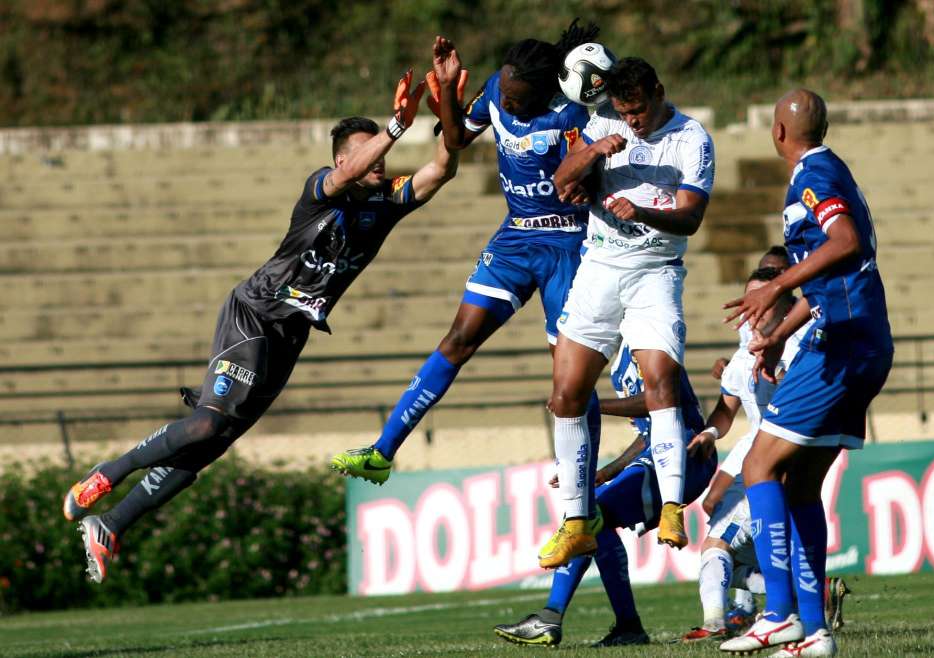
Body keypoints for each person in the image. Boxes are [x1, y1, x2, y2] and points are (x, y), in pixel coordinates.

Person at [61, 55, 460, 583]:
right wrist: (393, 127)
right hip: (254, 311)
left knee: (211, 444)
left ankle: (110, 525)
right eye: (368, 153)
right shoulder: (320, 190)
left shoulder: (385, 203)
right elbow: (344, 175)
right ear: (347, 156)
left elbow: (440, 170)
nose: (380, 162)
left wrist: (452, 108)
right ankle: (108, 474)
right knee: (207, 421)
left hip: (290, 334)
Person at [331, 25, 606, 534]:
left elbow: (587, 175)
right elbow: (455, 140)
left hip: (568, 247)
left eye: (522, 102)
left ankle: (580, 496)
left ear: (548, 91)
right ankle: (382, 450)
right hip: (515, 239)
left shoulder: (572, 116)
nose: (511, 105)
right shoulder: (501, 90)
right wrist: (449, 92)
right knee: (458, 339)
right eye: (508, 96)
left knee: (569, 376)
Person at [719, 89, 892, 658]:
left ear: (778, 132)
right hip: (857, 338)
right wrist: (776, 333)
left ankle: (777, 614)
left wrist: (776, 283)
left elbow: (844, 243)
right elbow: (831, 277)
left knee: (759, 463)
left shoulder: (813, 175)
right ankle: (814, 632)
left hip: (840, 343)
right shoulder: (828, 170)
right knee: (799, 485)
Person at [544, 57, 715, 566]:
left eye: (638, 110)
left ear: (658, 92)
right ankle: (575, 521)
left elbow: (691, 218)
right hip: (598, 268)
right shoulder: (604, 124)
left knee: (660, 383)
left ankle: (670, 507)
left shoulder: (692, 138)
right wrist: (594, 148)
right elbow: (562, 179)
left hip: (655, 271)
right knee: (566, 393)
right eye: (624, 111)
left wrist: (641, 210)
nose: (633, 121)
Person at [494, 342, 715, 647]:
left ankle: (552, 616)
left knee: (589, 515)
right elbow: (649, 433)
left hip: (685, 453)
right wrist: (606, 473)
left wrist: (590, 402)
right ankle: (627, 626)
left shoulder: (649, 342)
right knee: (592, 515)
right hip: (663, 452)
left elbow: (662, 402)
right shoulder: (623, 358)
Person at [682, 266, 803, 642]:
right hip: (753, 452)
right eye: (749, 298)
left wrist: (784, 380)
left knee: (718, 543)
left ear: (786, 309)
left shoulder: (798, 348)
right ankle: (806, 594)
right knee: (723, 529)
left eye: (762, 300)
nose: (753, 307)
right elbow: (727, 408)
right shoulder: (743, 353)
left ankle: (716, 620)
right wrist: (709, 432)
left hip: (778, 458)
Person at [710, 246, 790, 380]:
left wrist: (774, 370)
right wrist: (732, 366)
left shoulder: (812, 317)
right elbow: (747, 354)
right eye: (766, 270)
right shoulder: (748, 317)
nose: (776, 276)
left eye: (781, 270)